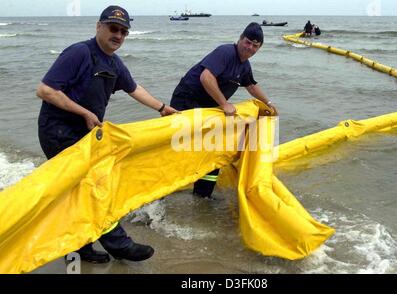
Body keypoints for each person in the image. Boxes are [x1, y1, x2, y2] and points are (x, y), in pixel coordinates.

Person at [36, 5, 177, 264]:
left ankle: (80, 247)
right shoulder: (80, 53)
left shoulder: (114, 63)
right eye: (114, 28)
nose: (119, 35)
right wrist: (84, 113)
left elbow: (134, 88)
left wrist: (161, 107)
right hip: (58, 130)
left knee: (80, 191)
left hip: (85, 133)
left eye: (124, 31)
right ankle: (119, 243)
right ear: (98, 26)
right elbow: (45, 90)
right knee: (92, 185)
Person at [170, 22, 277, 199]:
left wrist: (269, 103)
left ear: (259, 48)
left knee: (214, 150)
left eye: (255, 45)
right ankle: (159, 194)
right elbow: (206, 77)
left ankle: (202, 196)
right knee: (181, 148)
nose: (250, 47)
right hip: (186, 101)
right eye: (248, 42)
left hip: (207, 109)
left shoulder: (245, 65)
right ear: (240, 39)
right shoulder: (226, 52)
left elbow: (251, 85)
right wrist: (224, 103)